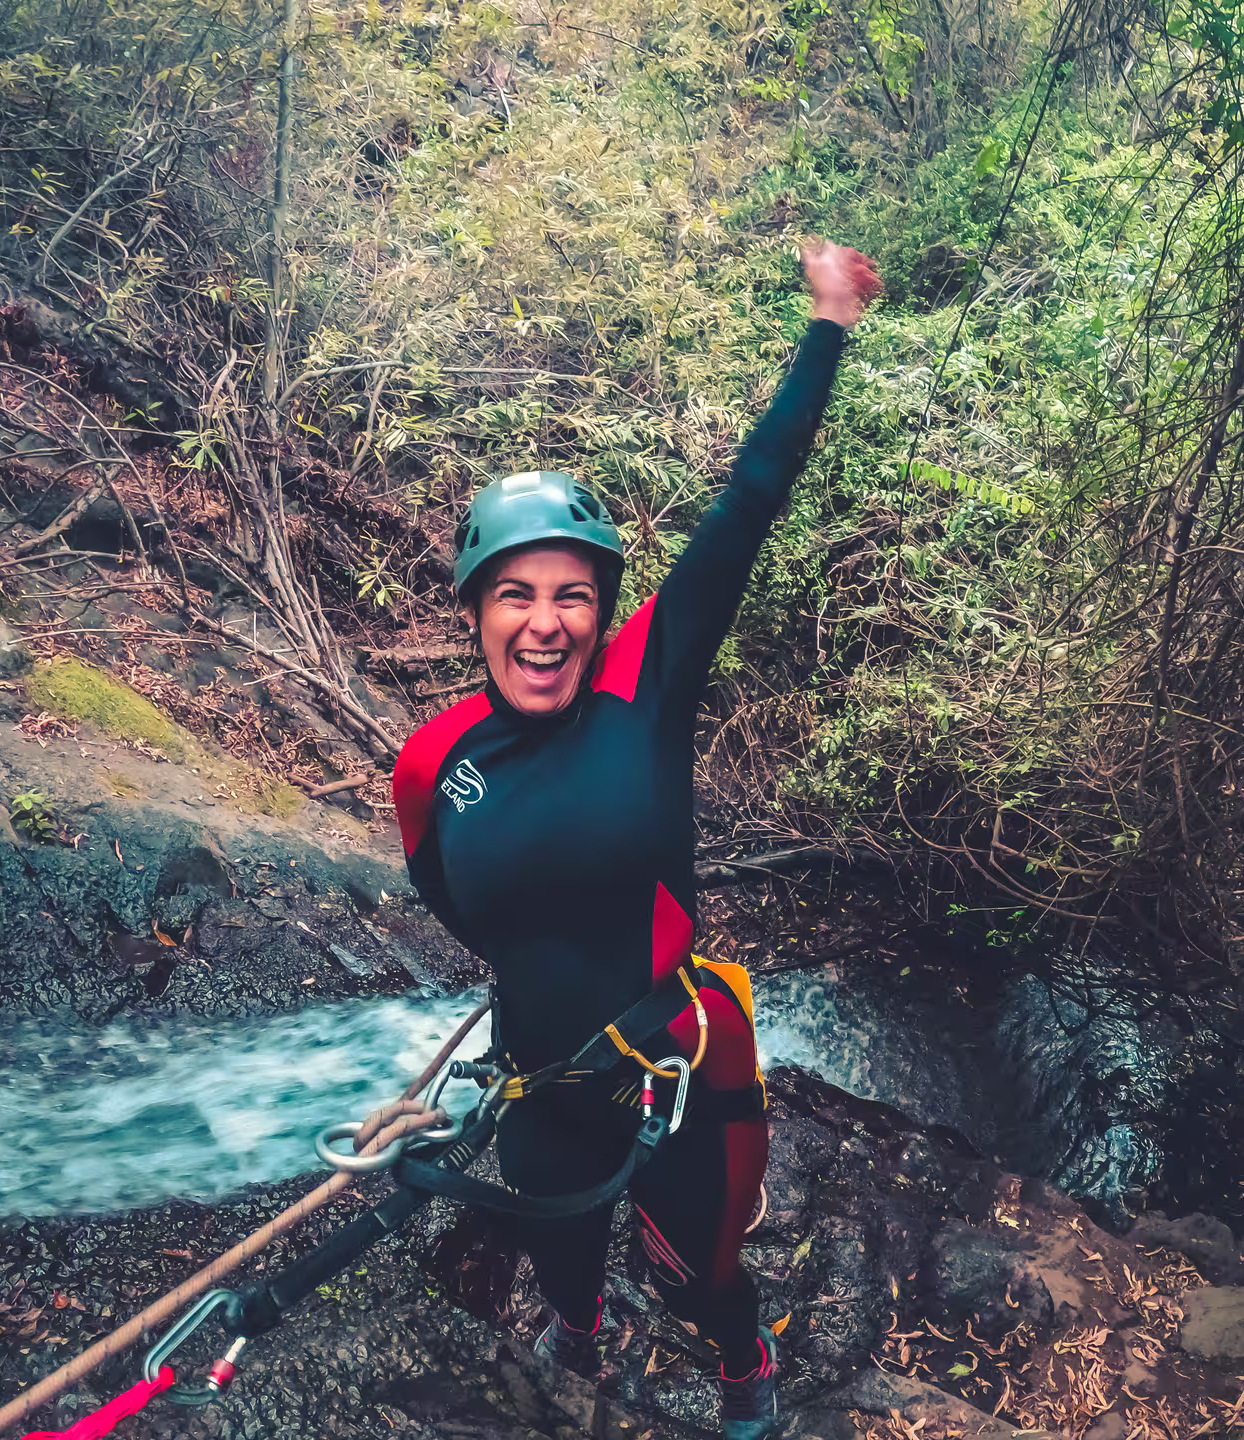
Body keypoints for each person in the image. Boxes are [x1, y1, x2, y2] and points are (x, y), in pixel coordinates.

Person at [392, 242, 881, 1440]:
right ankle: (576, 1339)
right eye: (516, 594)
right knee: (563, 1257)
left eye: (572, 594)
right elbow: (445, 894)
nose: (546, 622)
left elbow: (749, 501)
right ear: (475, 613)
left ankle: (740, 1354)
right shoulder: (433, 762)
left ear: (604, 610)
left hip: (679, 1057)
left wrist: (829, 322)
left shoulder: (646, 684)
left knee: (698, 1270)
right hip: (541, 1074)